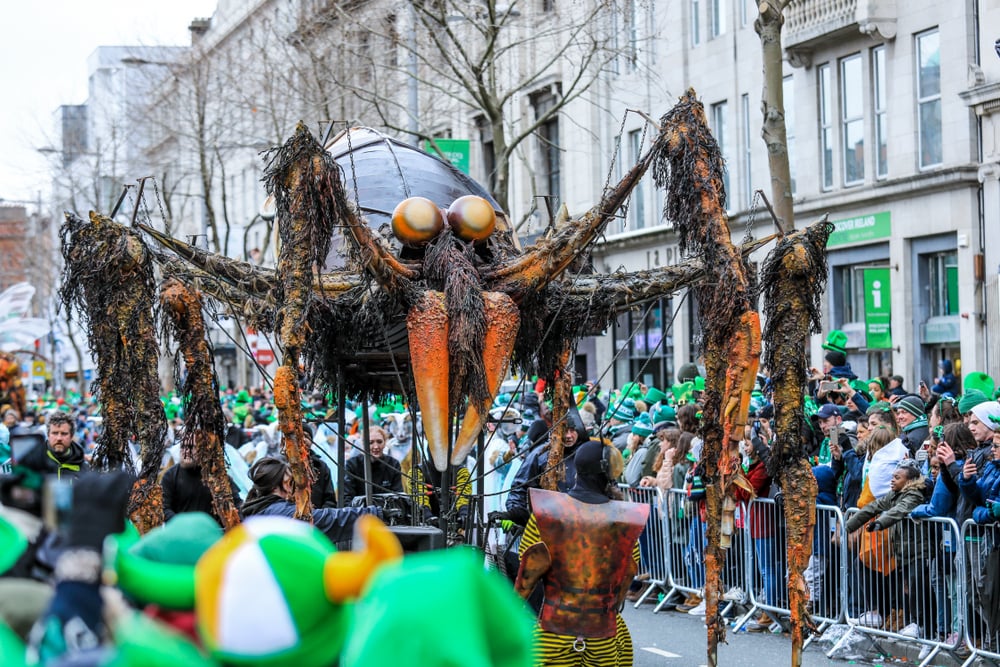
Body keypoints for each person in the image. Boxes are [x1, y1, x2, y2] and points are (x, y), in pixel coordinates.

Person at [513, 439, 647, 666]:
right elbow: (627, 576)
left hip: (553, 632)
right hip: (604, 634)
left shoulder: (548, 514)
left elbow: (528, 573)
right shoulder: (626, 520)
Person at [240, 456, 380, 544]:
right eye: (289, 483)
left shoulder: (256, 508)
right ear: (275, 486)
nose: (292, 489)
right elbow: (325, 519)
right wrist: (373, 513)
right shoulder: (279, 512)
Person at [160, 441, 242, 526]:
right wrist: (183, 525)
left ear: (204, 450)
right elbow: (164, 508)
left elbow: (236, 504)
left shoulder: (217, 476)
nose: (186, 450)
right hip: (181, 533)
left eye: (192, 447)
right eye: (183, 447)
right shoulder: (171, 475)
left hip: (213, 533)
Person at [341, 426, 403, 506]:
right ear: (363, 444)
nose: (376, 446)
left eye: (379, 442)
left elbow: (398, 497)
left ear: (385, 443)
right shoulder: (352, 465)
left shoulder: (393, 464)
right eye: (371, 442)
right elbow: (347, 499)